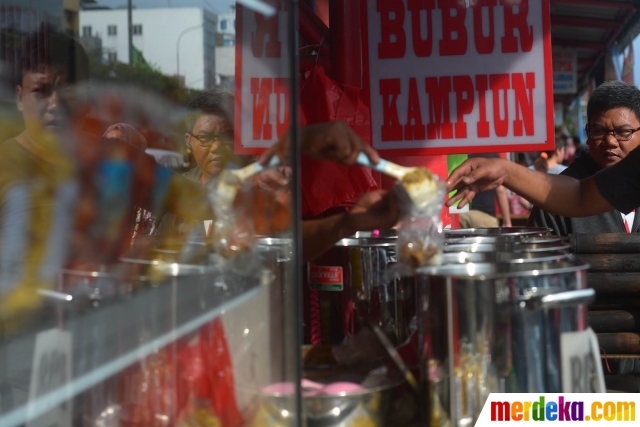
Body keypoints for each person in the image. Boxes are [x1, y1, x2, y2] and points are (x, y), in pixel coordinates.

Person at [527, 81, 640, 235]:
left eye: (623, 132)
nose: (610, 141)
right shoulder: (555, 201)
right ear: (588, 134)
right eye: (599, 130)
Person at [458, 154, 512, 228]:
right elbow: (500, 191)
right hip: (484, 216)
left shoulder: (463, 152)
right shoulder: (492, 156)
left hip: (461, 213)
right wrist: (507, 222)